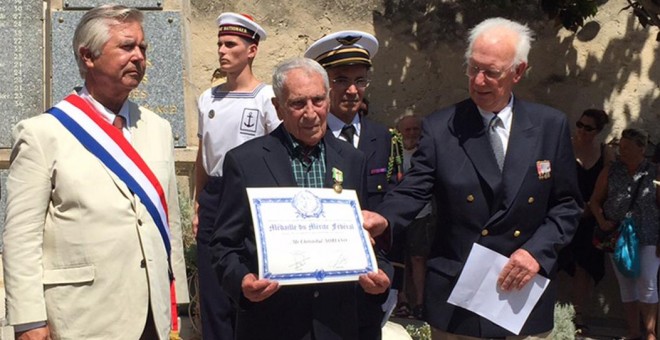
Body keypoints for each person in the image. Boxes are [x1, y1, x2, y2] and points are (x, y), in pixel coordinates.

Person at [362, 17, 582, 339]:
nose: (478, 80)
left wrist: (537, 252)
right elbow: (414, 187)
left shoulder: (550, 125)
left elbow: (567, 204)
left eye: (491, 72)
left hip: (520, 294)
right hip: (458, 295)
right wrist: (383, 218)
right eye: (472, 68)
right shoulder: (442, 127)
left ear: (518, 72)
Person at [2, 4, 188, 339]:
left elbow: (168, 220)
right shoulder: (43, 134)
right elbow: (21, 236)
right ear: (88, 56)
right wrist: (29, 320)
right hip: (83, 316)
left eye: (142, 48)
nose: (139, 57)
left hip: (153, 315)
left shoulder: (158, 128)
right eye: (126, 47)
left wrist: (179, 305)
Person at [209, 57, 390, 340]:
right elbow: (223, 245)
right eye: (297, 104)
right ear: (278, 108)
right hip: (272, 324)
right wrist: (242, 281)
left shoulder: (353, 160)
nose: (311, 113)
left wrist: (382, 276)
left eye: (318, 100)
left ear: (328, 100)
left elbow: (370, 240)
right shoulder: (246, 162)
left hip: (339, 325)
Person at [193, 12, 280, 339]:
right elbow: (204, 156)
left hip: (253, 198)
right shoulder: (207, 98)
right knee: (213, 294)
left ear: (252, 50)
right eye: (219, 44)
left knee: (251, 286)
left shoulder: (266, 99)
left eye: (231, 44)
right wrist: (199, 204)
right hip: (215, 197)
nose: (222, 51)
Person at [305, 30, 396, 339]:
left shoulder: (382, 137)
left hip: (369, 285)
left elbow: (389, 206)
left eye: (361, 80)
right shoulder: (308, 139)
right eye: (341, 80)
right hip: (321, 287)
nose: (353, 91)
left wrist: (387, 271)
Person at [590, 128, 660, 340]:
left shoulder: (654, 172)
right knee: (626, 283)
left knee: (647, 280)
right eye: (621, 147)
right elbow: (595, 200)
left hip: (648, 235)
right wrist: (602, 221)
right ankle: (633, 331)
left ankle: (650, 332)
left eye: (628, 148)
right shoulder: (611, 170)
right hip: (618, 236)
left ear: (642, 148)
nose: (623, 152)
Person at [558, 109, 614, 333]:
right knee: (552, 262)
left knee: (584, 266)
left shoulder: (605, 152)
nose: (581, 130)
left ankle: (577, 315)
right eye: (580, 125)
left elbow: (608, 186)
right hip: (563, 212)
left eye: (588, 128)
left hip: (590, 215)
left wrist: (591, 208)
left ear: (598, 131)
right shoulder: (564, 146)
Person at [392, 114, 435, 320]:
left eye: (415, 129)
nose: (411, 134)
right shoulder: (393, 154)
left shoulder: (426, 154)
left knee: (418, 258)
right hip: (398, 216)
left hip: (422, 215)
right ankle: (402, 301)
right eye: (406, 130)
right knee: (399, 259)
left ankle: (420, 302)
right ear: (399, 132)